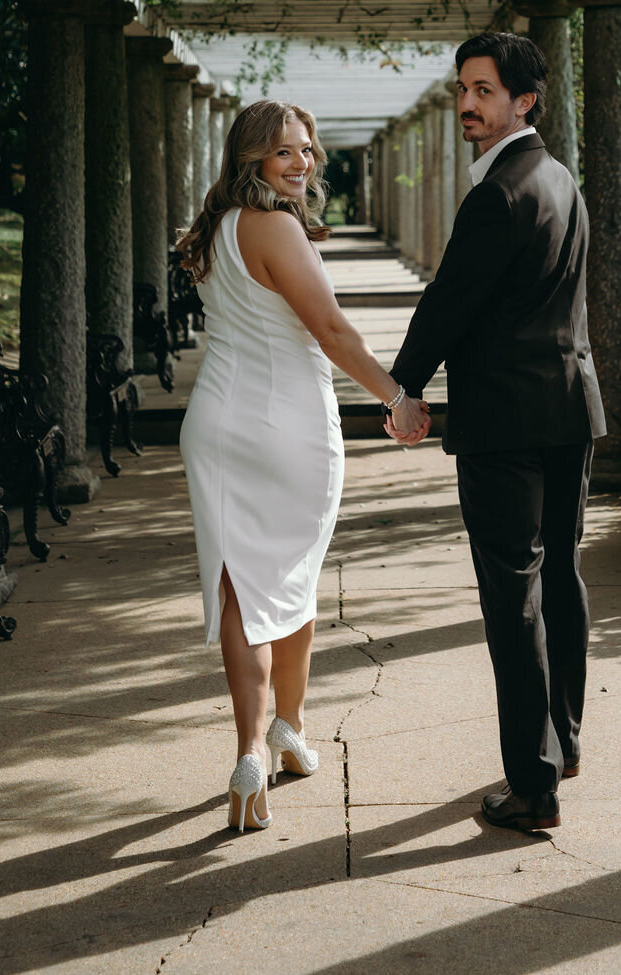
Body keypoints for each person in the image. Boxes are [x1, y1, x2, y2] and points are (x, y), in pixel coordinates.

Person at [177, 99, 428, 833]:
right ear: (251, 155)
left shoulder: (217, 227)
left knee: (241, 583)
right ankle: (271, 733)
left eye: (308, 150)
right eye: (286, 151)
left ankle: (272, 738)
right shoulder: (275, 226)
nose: (303, 162)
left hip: (216, 423)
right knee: (285, 578)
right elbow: (331, 329)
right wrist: (397, 397)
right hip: (283, 425)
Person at [388, 31, 606, 832]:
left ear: (525, 100)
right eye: (463, 89)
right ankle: (566, 743)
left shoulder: (498, 193)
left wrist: (404, 384)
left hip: (507, 427)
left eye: (483, 90)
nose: (467, 104)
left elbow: (451, 301)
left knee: (514, 595)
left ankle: (533, 785)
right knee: (560, 579)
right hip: (567, 408)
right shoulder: (560, 179)